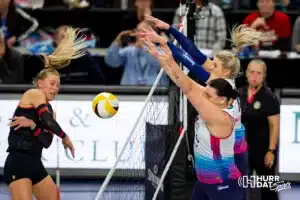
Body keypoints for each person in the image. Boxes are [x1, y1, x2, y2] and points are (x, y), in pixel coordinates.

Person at [141, 39, 245, 200]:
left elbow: (188, 88)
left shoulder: (219, 117)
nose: (204, 95)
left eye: (208, 95)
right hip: (204, 182)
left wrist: (170, 60)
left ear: (222, 100)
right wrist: (161, 58)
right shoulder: (217, 98)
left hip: (223, 183)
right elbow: (182, 82)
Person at [3, 26, 86, 200]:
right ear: (40, 83)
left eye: (58, 85)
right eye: (52, 83)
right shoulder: (33, 94)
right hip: (18, 162)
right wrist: (65, 137)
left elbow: (46, 141)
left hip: (35, 164)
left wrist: (33, 125)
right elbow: (47, 121)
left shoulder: (52, 112)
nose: (56, 88)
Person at [239, 59, 280, 200]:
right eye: (252, 72)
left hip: (262, 151)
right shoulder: (238, 94)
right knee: (240, 188)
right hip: (241, 150)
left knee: (267, 189)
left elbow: (274, 126)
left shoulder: (269, 98)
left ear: (264, 76)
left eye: (259, 73)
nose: (255, 76)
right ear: (246, 73)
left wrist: (271, 151)